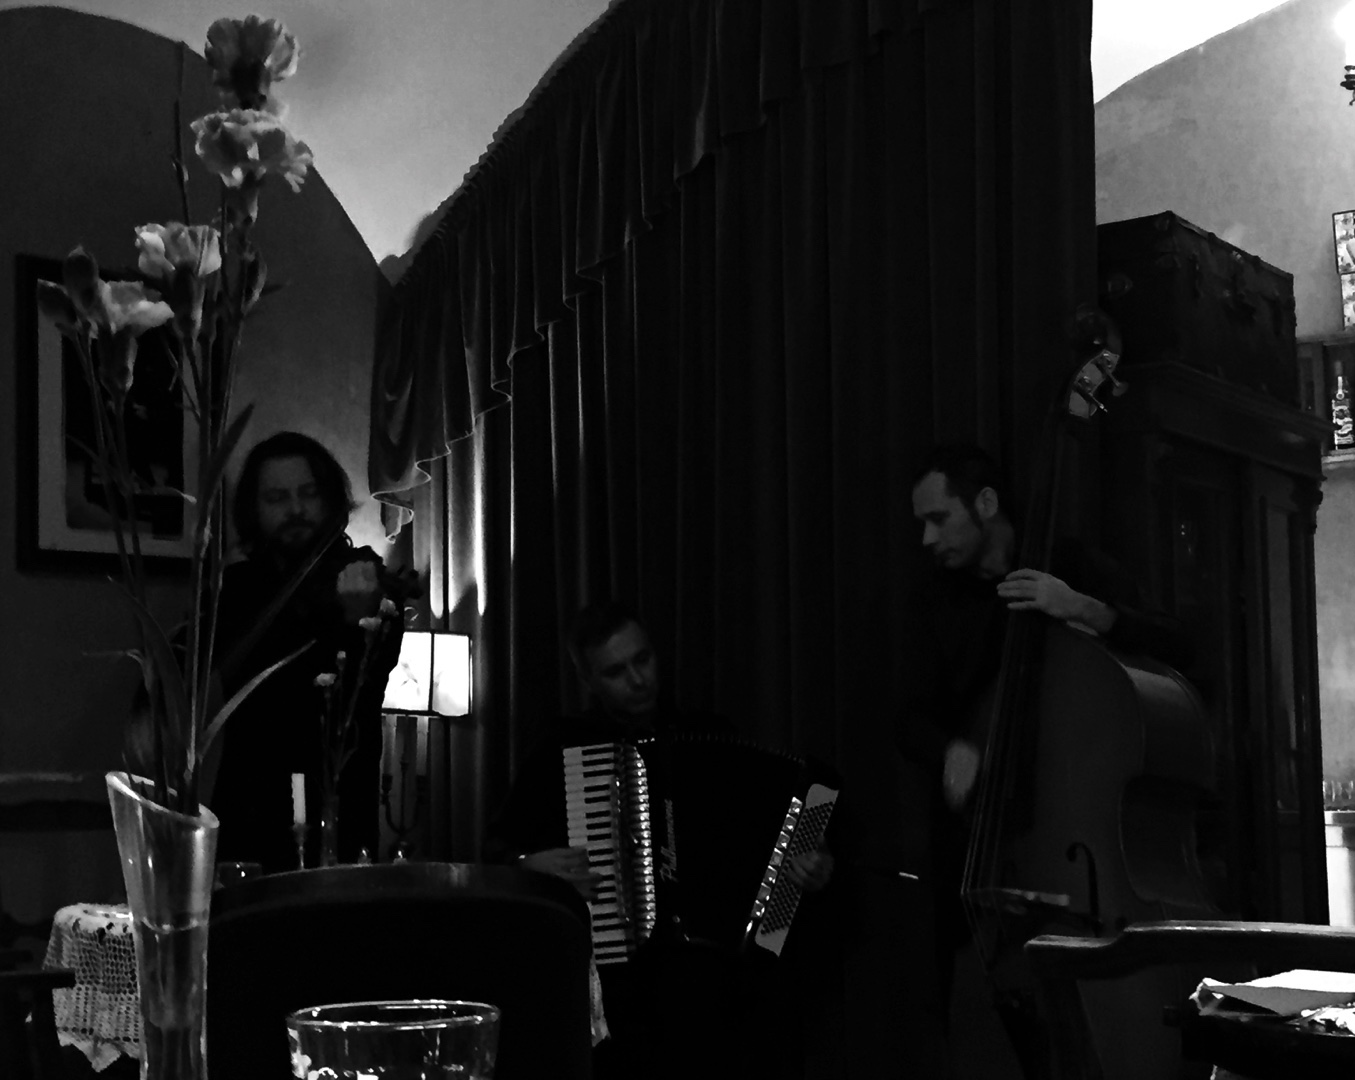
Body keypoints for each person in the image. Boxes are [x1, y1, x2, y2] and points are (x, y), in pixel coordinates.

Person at [900, 441, 1195, 1055]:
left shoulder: (1070, 567)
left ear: (985, 503)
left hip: (1092, 870)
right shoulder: (933, 602)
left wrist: (1083, 608)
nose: (928, 539)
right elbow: (906, 713)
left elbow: (1183, 648)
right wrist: (950, 750)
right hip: (984, 858)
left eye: (939, 518)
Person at [484, 601, 835, 1080]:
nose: (637, 680)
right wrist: (529, 863)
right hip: (618, 984)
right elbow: (495, 848)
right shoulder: (562, 747)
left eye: (643, 659)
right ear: (588, 681)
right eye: (615, 671)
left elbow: (789, 836)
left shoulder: (709, 735)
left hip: (717, 980)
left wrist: (812, 864)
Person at [203, 431, 406, 871]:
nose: (295, 510)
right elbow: (187, 661)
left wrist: (357, 620)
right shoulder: (232, 592)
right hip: (246, 818)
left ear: (329, 500)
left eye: (308, 494)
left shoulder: (364, 575)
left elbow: (364, 687)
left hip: (338, 815)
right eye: (277, 498)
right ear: (254, 511)